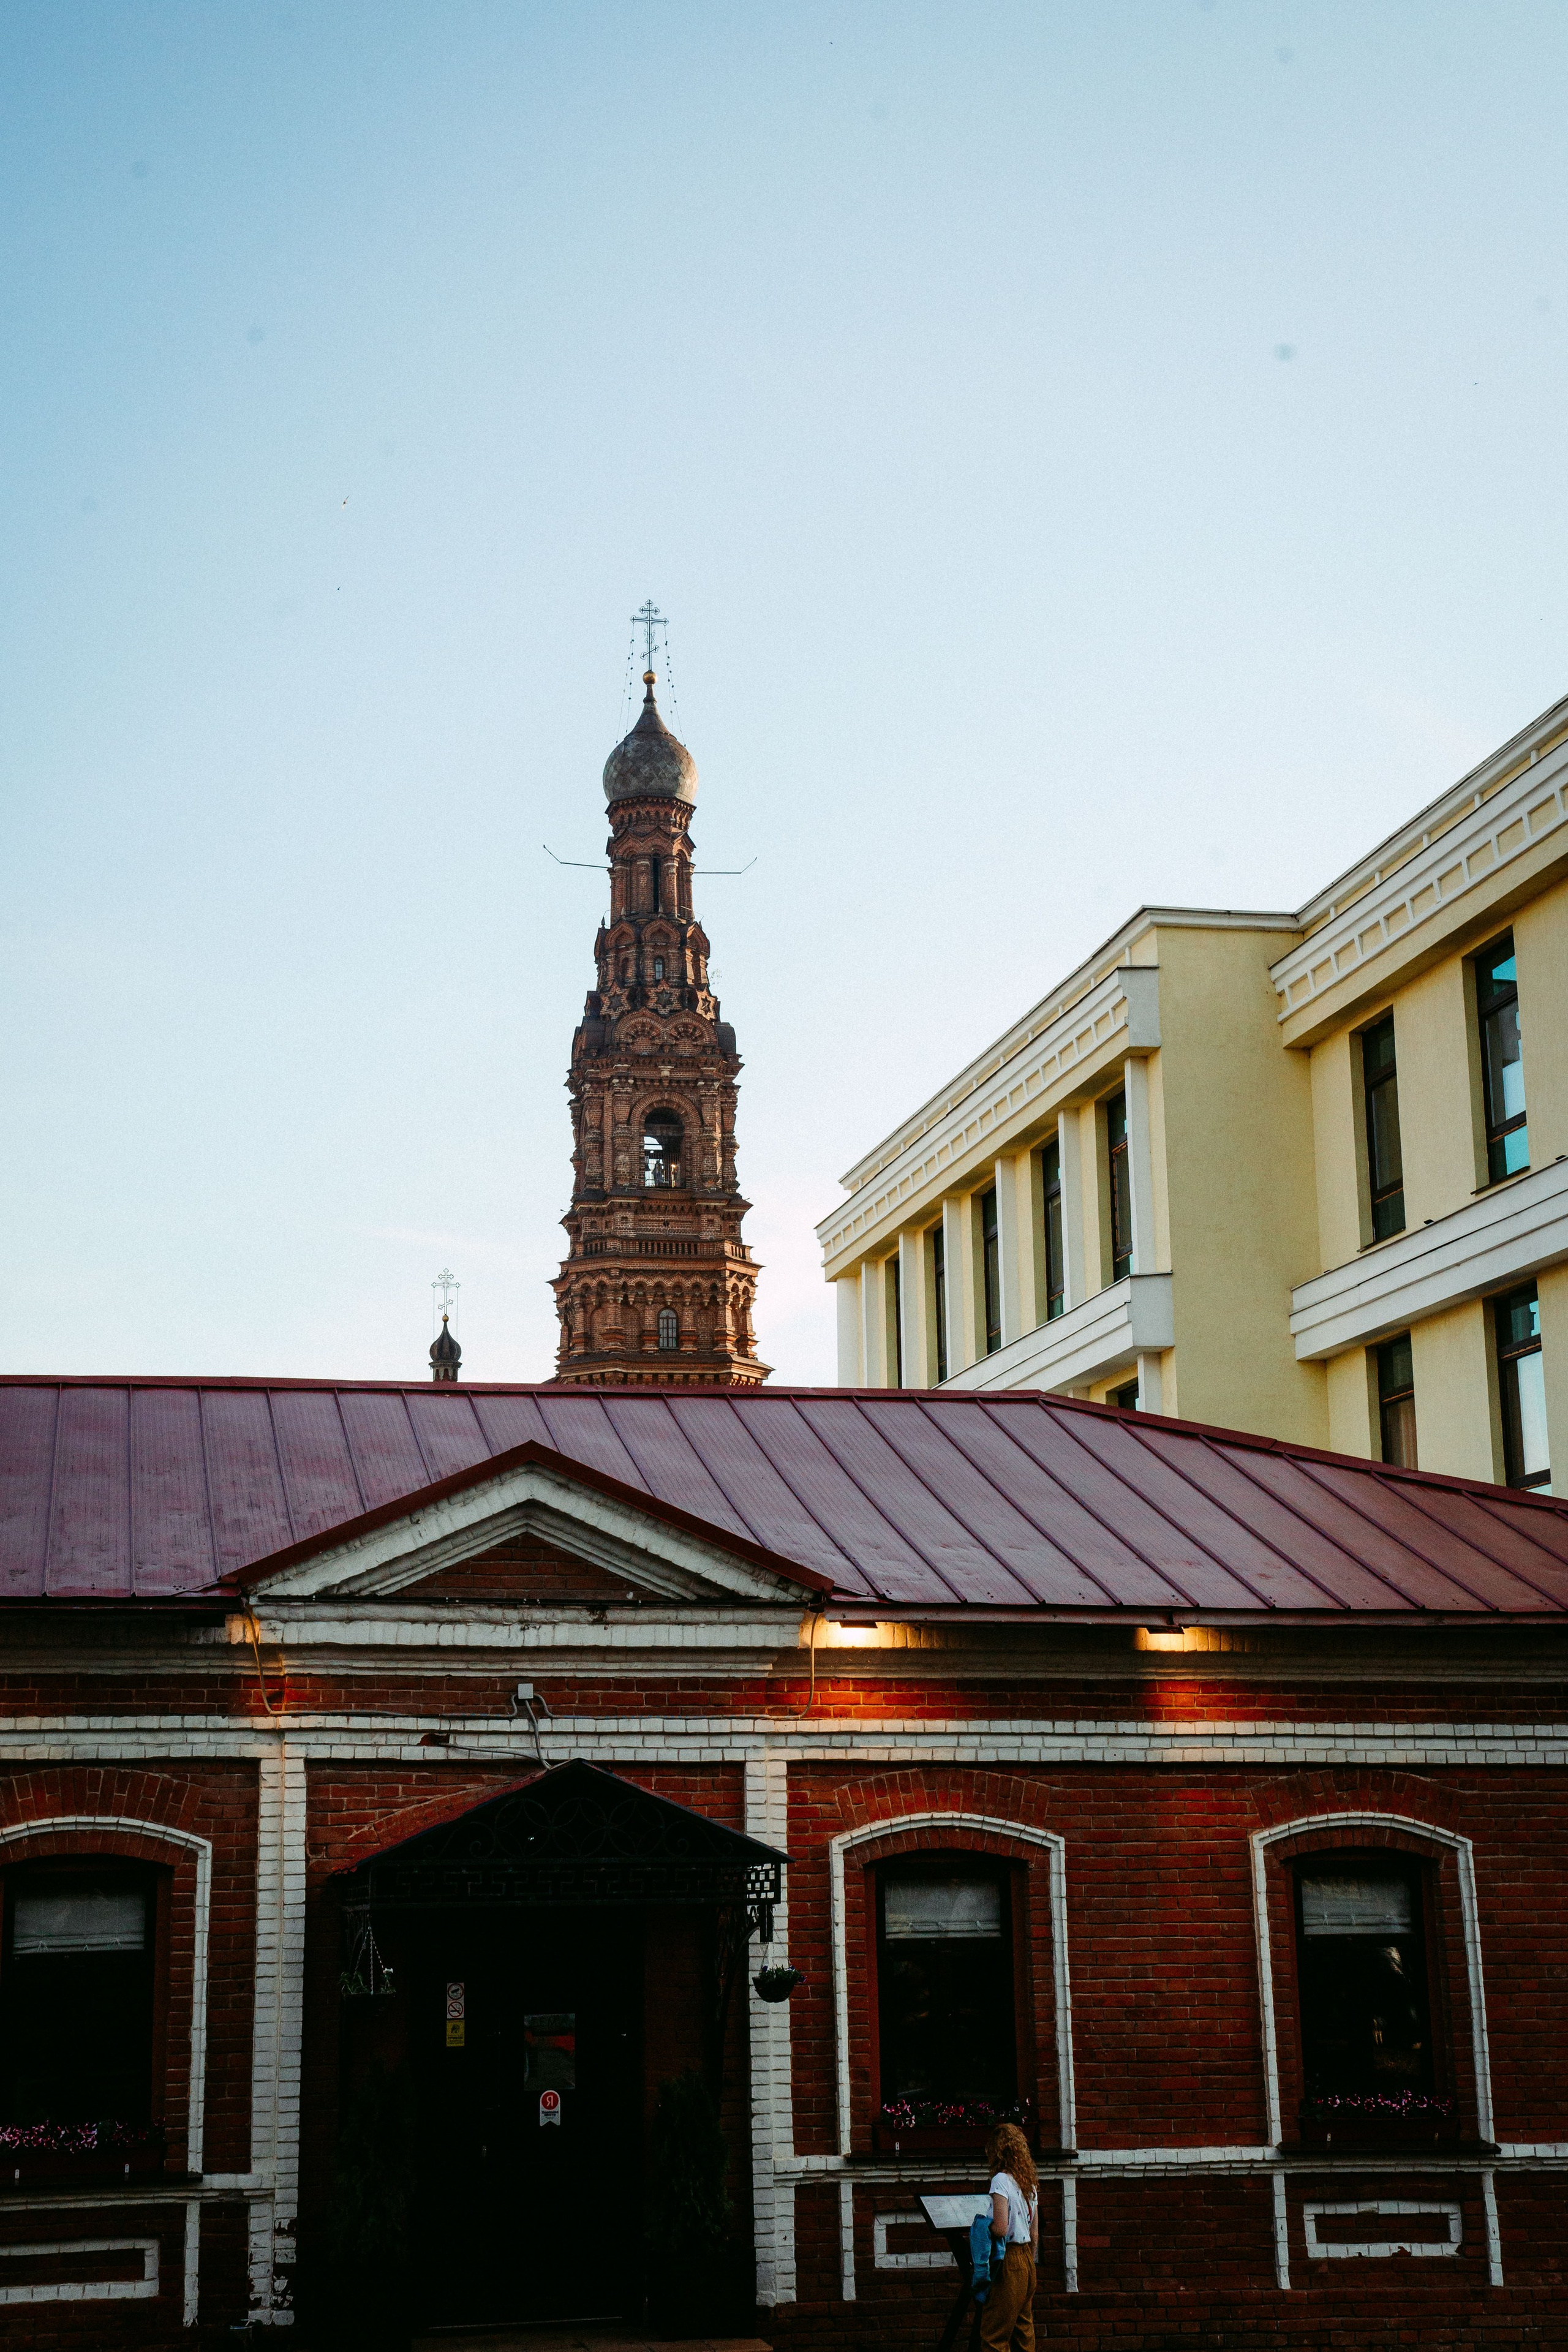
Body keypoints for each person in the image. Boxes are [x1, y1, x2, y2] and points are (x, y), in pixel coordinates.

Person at [981, 2120, 1039, 2350]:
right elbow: (1034, 2231)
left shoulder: (1000, 2181)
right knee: (1024, 2331)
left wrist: (983, 2227)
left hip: (1010, 2260)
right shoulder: (1030, 2184)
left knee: (995, 2334)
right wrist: (1030, 2260)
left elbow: (1001, 2228)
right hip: (1026, 2259)